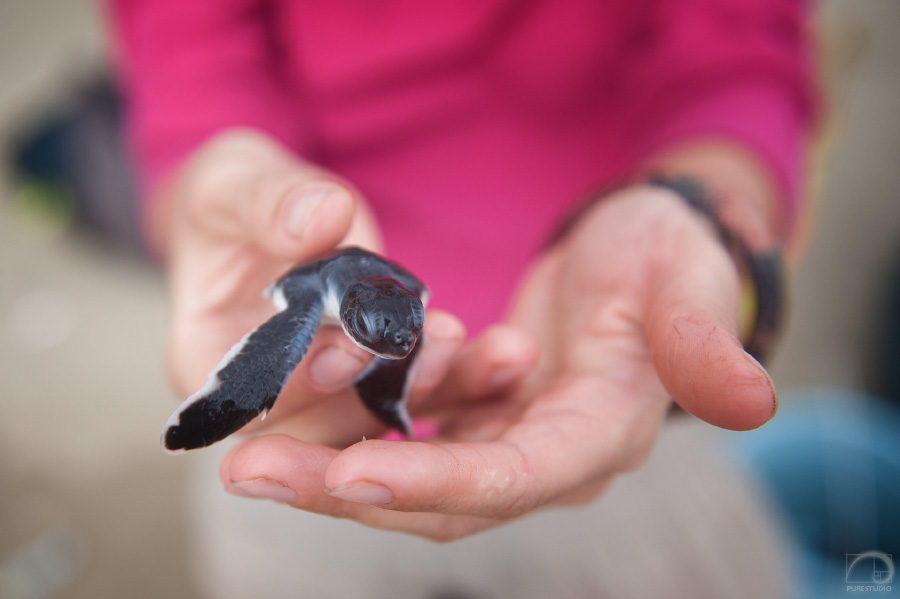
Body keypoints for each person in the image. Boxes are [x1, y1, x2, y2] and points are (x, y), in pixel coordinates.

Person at [106, 0, 818, 595]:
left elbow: (735, 44)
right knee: (279, 414)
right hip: (309, 412)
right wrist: (215, 175)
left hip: (611, 360)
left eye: (400, 328)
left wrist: (693, 204)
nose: (394, 335)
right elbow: (190, 59)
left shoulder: (406, 308)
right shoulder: (322, 298)